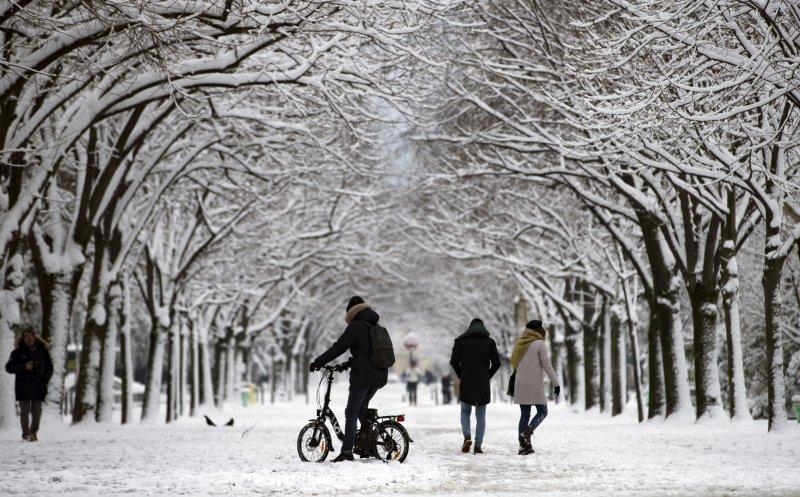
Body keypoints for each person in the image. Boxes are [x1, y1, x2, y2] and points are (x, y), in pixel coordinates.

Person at [310, 296, 388, 462]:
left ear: (351, 312)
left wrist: (318, 362)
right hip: (379, 375)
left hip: (363, 377)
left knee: (351, 412)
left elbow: (338, 348)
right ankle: (368, 444)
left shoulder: (356, 326)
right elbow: (366, 352)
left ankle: (346, 451)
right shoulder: (373, 325)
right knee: (360, 411)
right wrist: (347, 364)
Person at [449, 318, 500, 454]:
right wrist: (487, 375)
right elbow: (497, 363)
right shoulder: (490, 342)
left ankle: (467, 436)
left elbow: (453, 361)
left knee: (465, 411)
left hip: (467, 381)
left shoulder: (461, 341)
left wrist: (461, 374)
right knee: (481, 415)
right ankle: (478, 446)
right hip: (482, 382)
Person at [510, 320, 560, 455]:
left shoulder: (519, 343)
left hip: (520, 384)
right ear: (538, 330)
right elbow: (547, 365)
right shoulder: (539, 344)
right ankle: (527, 433)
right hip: (535, 384)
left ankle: (523, 446)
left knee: (524, 414)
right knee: (543, 411)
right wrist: (556, 383)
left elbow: (513, 362)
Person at [5, 327, 53, 442]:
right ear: (22, 338)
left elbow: (50, 368)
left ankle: (33, 431)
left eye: (30, 335)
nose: (28, 338)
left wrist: (45, 381)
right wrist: (23, 367)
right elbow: (8, 368)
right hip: (22, 387)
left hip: (38, 387)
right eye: (26, 336)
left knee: (37, 412)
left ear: (34, 337)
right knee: (24, 412)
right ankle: (26, 434)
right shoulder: (16, 353)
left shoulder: (43, 351)